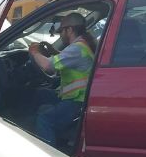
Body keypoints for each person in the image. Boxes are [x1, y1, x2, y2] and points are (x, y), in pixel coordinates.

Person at [28, 12, 96, 147]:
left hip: (76, 102)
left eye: (61, 31)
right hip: (75, 97)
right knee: (40, 94)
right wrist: (54, 52)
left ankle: (49, 155)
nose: (60, 34)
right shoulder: (82, 45)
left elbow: (48, 66)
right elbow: (66, 60)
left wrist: (34, 51)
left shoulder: (76, 48)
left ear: (69, 30)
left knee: (44, 120)